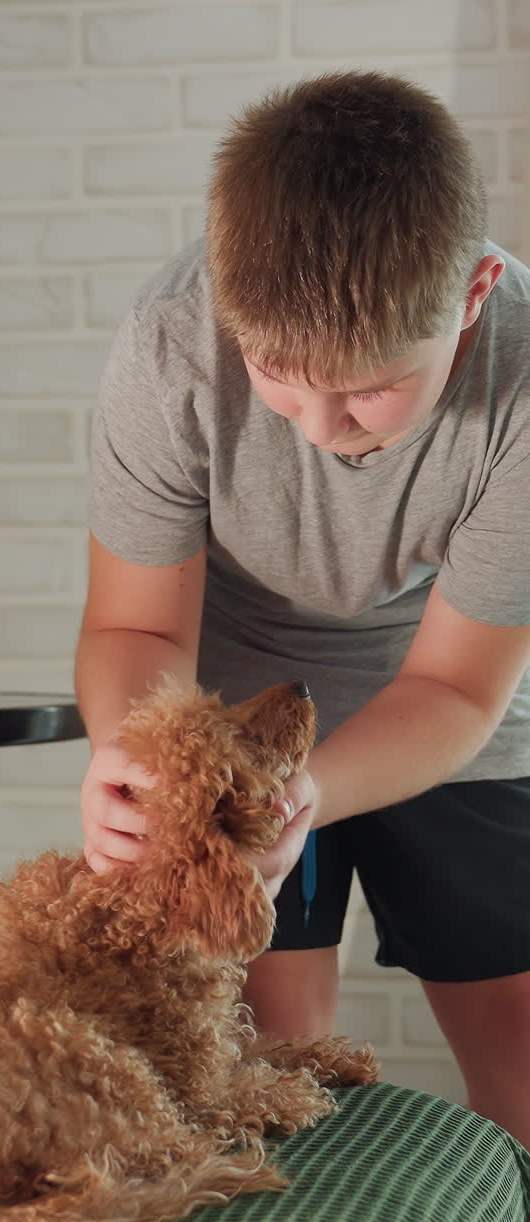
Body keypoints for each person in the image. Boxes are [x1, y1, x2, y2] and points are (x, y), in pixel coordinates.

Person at [74, 70, 530, 1146]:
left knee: (518, 1048)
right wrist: (135, 763)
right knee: (262, 1065)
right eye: (277, 371)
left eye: (370, 386)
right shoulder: (168, 347)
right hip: (233, 706)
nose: (322, 429)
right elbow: (135, 627)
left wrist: (308, 789)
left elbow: (456, 684)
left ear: (471, 296)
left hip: (457, 707)